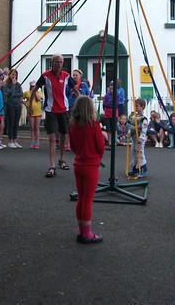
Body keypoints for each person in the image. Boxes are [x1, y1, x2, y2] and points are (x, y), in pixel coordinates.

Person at [28, 54, 75, 178]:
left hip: (64, 110)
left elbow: (76, 89)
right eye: (56, 62)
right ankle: (52, 165)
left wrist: (83, 102)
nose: (58, 64)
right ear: (52, 63)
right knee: (52, 138)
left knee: (64, 136)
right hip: (51, 111)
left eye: (60, 62)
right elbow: (34, 90)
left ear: (62, 63)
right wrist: (29, 106)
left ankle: (61, 160)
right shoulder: (45, 76)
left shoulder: (66, 76)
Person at [69, 96, 105, 244]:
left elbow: (72, 147)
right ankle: (87, 234)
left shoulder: (73, 126)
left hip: (78, 164)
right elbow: (101, 147)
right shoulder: (94, 125)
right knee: (88, 200)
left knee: (81, 198)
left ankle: (81, 231)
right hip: (91, 166)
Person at [127, 98, 149, 177]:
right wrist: (129, 133)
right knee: (133, 153)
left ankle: (143, 169)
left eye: (137, 106)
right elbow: (130, 126)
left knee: (140, 154)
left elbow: (144, 130)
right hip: (134, 138)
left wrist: (141, 138)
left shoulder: (143, 119)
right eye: (135, 106)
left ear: (142, 107)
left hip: (139, 139)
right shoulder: (133, 116)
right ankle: (135, 169)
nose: (135, 107)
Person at [2, 69, 24, 149]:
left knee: (16, 123)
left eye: (15, 74)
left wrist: (14, 92)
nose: (14, 76)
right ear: (9, 75)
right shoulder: (6, 84)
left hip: (18, 105)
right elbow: (9, 94)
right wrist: (13, 87)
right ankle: (10, 140)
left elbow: (21, 93)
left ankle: (15, 140)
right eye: (12, 74)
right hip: (10, 105)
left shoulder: (18, 84)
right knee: (11, 122)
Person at [23, 80, 43, 149]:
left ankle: (37, 142)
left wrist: (35, 92)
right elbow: (22, 98)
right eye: (32, 86)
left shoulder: (39, 92)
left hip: (38, 112)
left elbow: (38, 99)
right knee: (32, 128)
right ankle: (32, 142)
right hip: (31, 112)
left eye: (35, 86)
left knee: (37, 127)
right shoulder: (27, 92)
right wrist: (26, 104)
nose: (33, 87)